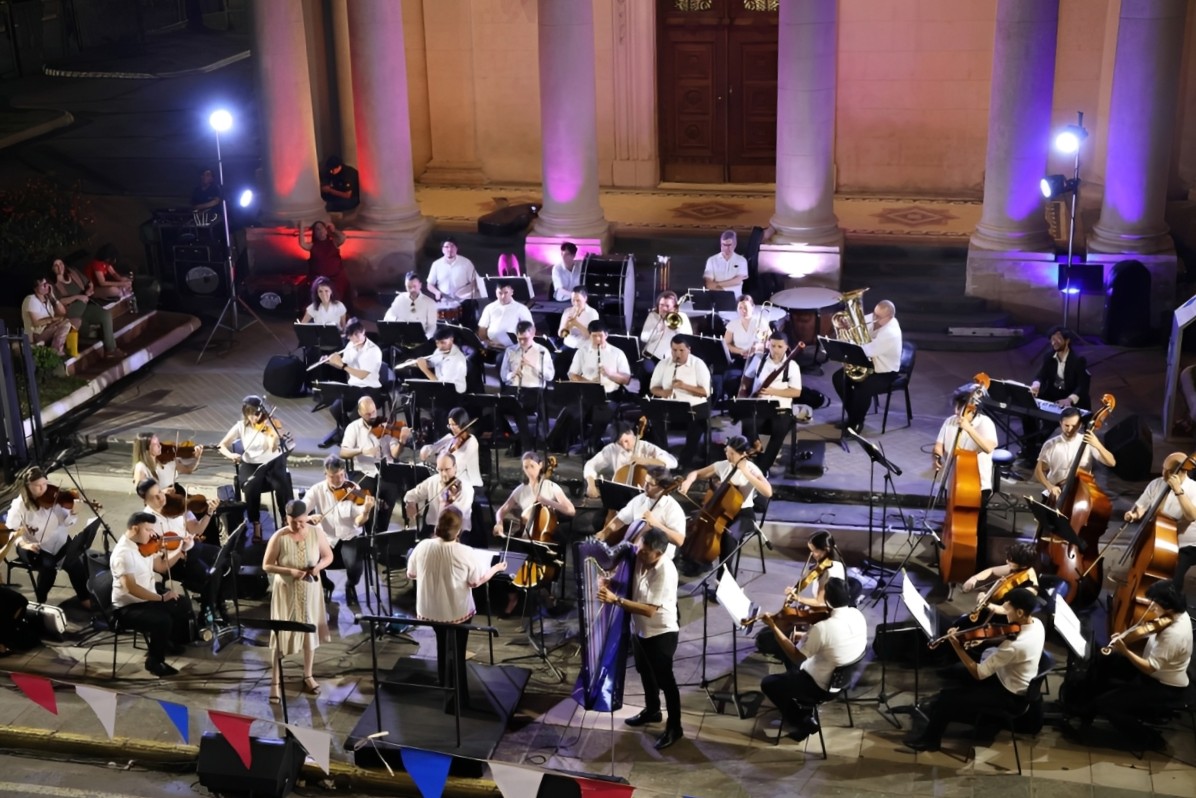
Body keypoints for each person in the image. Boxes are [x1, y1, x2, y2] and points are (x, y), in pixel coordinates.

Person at [902, 587, 1045, 752]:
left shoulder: (1015, 647)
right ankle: (947, 711)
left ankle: (930, 741)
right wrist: (983, 640)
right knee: (957, 673)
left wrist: (958, 647)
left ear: (1020, 612)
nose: (1005, 611)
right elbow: (1011, 634)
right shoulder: (1037, 625)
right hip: (1011, 678)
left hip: (1008, 695)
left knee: (947, 699)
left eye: (1008, 608)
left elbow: (979, 673)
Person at [1061, 579, 1192, 749]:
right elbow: (1148, 631)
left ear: (1169, 605)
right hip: (1152, 673)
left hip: (1163, 685)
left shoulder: (1174, 634)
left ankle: (1146, 739)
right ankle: (1083, 706)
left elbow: (1150, 666)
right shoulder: (1174, 614)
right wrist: (1124, 637)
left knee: (1108, 705)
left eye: (1155, 603)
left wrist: (1126, 650)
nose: (1151, 606)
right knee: (1103, 661)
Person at [406, 506, 506, 713]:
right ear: (458, 531)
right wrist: (495, 569)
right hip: (455, 612)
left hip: (429, 609)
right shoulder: (465, 552)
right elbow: (475, 582)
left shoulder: (423, 545)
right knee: (457, 652)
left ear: (437, 526)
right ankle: (458, 701)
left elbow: (411, 574)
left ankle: (443, 680)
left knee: (443, 643)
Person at [597, 527, 684, 750]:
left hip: (661, 632)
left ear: (659, 553)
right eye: (639, 548)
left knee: (666, 681)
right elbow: (623, 579)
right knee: (645, 671)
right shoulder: (636, 557)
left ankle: (675, 727)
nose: (640, 554)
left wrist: (615, 599)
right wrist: (608, 582)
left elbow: (649, 610)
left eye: (645, 552)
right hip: (640, 629)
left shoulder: (665, 572)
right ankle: (652, 710)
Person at [759, 577, 868, 742]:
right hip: (842, 680)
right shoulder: (858, 615)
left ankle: (803, 721)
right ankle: (799, 703)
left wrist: (774, 627)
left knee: (769, 683)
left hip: (818, 687)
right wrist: (806, 637)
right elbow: (838, 641)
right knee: (790, 652)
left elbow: (797, 658)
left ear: (826, 599)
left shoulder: (822, 628)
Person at [261, 500, 333, 702]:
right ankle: (275, 682)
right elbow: (266, 565)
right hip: (287, 591)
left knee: (309, 631)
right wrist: (289, 571)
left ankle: (308, 674)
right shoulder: (279, 536)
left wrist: (318, 567)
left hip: (309, 589)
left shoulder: (315, 532)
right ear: (287, 519)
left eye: (302, 522)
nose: (299, 526)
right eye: (295, 523)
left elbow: (328, 556)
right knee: (281, 634)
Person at [678, 436, 772, 587]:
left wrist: (745, 472)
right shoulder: (723, 465)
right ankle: (697, 561)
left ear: (743, 454)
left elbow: (768, 492)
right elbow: (696, 473)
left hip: (744, 514)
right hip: (723, 511)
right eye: (727, 451)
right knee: (696, 522)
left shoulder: (752, 470)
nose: (728, 456)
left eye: (732, 453)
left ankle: (724, 583)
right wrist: (688, 481)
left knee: (728, 537)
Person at [111, 511, 195, 677]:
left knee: (182, 603)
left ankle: (167, 641)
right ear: (135, 529)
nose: (153, 534)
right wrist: (162, 598)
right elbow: (131, 588)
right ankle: (154, 661)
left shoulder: (146, 544)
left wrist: (181, 549)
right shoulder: (123, 554)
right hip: (128, 607)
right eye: (148, 529)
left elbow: (162, 567)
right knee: (162, 620)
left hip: (148, 596)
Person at [492, 452, 575, 615]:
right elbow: (501, 510)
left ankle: (545, 593)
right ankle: (513, 597)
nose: (529, 470)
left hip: (543, 539)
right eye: (526, 467)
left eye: (532, 466)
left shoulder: (551, 487)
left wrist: (547, 501)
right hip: (525, 535)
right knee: (505, 555)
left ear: (541, 466)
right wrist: (499, 522)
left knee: (544, 556)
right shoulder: (521, 490)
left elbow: (570, 511)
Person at [137, 477, 222, 623]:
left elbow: (197, 528)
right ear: (145, 500)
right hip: (176, 561)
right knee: (209, 574)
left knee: (227, 558)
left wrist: (209, 512)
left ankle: (216, 601)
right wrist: (179, 551)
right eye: (154, 496)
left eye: (160, 492)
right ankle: (207, 613)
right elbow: (160, 564)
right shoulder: (147, 522)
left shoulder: (176, 502)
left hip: (193, 548)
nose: (160, 498)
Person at [755, 530, 848, 661]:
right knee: (778, 624)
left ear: (826, 549)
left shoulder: (829, 572)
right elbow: (810, 578)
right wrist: (795, 589)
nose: (812, 554)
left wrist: (798, 598)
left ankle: (783, 645)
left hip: (825, 613)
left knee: (776, 628)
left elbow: (820, 602)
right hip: (823, 609)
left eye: (815, 551)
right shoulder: (831, 562)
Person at [933, 383, 998, 567]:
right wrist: (937, 455)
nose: (957, 411)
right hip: (953, 483)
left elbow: (988, 447)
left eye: (961, 408)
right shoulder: (950, 421)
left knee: (977, 529)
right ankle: (952, 561)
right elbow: (939, 444)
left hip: (977, 485)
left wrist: (969, 428)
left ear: (973, 408)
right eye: (956, 407)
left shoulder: (985, 423)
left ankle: (978, 566)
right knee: (952, 523)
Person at [8, 467, 91, 607]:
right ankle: (41, 602)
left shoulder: (54, 497)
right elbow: (11, 530)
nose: (44, 489)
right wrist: (24, 544)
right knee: (48, 567)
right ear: (27, 487)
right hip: (31, 544)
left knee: (75, 564)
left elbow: (66, 521)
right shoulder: (19, 505)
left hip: (58, 540)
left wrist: (74, 513)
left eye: (45, 484)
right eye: (38, 486)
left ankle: (85, 599)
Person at [547, 320, 632, 454]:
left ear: (606, 335)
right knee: (570, 412)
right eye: (594, 336)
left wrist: (610, 374)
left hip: (608, 396)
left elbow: (626, 380)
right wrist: (587, 381)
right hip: (587, 393)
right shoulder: (583, 351)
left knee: (600, 417)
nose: (597, 339)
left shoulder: (617, 353)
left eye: (600, 336)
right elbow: (572, 373)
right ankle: (559, 444)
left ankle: (592, 444)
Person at [217, 396, 292, 544]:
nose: (254, 417)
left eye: (257, 413)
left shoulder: (268, 424)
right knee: (251, 487)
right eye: (250, 413)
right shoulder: (240, 426)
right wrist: (231, 454)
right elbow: (221, 445)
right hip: (251, 463)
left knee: (280, 484)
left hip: (272, 461)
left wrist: (273, 437)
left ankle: (285, 518)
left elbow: (272, 448)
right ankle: (256, 523)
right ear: (245, 413)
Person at [304, 456, 375, 607]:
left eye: (341, 475)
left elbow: (358, 522)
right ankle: (326, 584)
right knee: (309, 557)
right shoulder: (317, 490)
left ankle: (350, 585)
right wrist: (309, 518)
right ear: (326, 475)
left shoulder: (354, 490)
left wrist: (366, 512)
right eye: (333, 477)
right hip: (326, 538)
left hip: (349, 537)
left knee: (355, 567)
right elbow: (301, 510)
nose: (338, 480)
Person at [1124, 453, 1196, 591]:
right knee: (1141, 565)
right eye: (1163, 468)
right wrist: (1133, 514)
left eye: (1168, 471)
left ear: (1182, 471)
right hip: (1157, 539)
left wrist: (1178, 491)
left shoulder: (1194, 488)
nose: (1163, 473)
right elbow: (1142, 507)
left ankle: (1170, 605)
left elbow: (1192, 516)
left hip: (1186, 546)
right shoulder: (1156, 483)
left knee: (1172, 581)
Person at [831, 299, 902, 434]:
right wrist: (846, 325)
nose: (874, 318)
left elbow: (866, 351)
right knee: (838, 378)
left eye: (878, 317)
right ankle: (853, 416)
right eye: (874, 314)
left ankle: (857, 423)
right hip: (868, 363)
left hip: (885, 371)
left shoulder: (891, 333)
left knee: (862, 387)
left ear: (890, 317)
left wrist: (849, 338)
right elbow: (858, 324)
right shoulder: (876, 318)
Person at [738, 332, 804, 472]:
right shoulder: (759, 360)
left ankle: (761, 469)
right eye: (773, 345)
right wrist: (744, 392)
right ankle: (755, 452)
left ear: (786, 347)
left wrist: (773, 391)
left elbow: (796, 392)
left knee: (778, 431)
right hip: (759, 405)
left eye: (780, 346)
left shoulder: (792, 366)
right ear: (768, 345)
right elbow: (746, 378)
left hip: (781, 409)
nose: (775, 350)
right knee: (748, 423)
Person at [339, 396, 404, 531]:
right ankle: (368, 531)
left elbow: (395, 454)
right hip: (364, 471)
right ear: (360, 413)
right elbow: (343, 452)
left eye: (374, 412)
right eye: (368, 414)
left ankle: (383, 531)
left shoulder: (386, 425)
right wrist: (362, 450)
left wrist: (402, 442)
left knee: (391, 491)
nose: (373, 416)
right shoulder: (353, 428)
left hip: (385, 471)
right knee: (365, 496)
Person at [647, 336, 711, 471]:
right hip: (670, 405)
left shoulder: (698, 364)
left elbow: (705, 392)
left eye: (681, 350)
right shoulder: (663, 364)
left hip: (693, 406)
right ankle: (664, 456)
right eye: (674, 350)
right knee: (654, 417)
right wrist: (664, 393)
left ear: (689, 350)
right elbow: (653, 388)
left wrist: (684, 386)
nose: (677, 354)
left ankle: (685, 461)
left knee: (698, 424)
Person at [1024, 326, 1092, 454]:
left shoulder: (1077, 360)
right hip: (1053, 394)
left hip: (1070, 397)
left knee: (1050, 422)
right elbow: (1041, 375)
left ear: (1067, 341)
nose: (1054, 342)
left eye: (1058, 339)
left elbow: (1083, 385)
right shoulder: (1049, 356)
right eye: (1052, 339)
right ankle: (1030, 445)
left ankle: (1038, 448)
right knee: (1027, 413)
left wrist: (1069, 399)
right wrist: (1036, 384)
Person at [318, 317, 383, 448]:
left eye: (357, 334)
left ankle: (347, 436)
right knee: (335, 408)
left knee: (355, 416)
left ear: (363, 331)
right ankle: (349, 434)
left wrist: (341, 365)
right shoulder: (350, 346)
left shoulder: (373, 351)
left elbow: (362, 375)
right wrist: (331, 362)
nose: (354, 339)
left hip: (371, 389)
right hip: (354, 388)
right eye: (351, 336)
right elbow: (343, 364)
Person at [596, 467, 686, 556]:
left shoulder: (673, 509)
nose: (645, 486)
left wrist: (656, 524)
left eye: (650, 484)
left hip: (657, 558)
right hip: (636, 552)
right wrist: (605, 532)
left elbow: (679, 540)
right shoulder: (640, 499)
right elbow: (620, 519)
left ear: (662, 487)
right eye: (646, 481)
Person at [1033, 407, 1117, 500]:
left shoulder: (1087, 442)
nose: (1070, 429)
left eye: (1074, 426)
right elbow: (1039, 471)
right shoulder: (1050, 444)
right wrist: (1050, 486)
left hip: (1079, 495)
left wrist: (1097, 444)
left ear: (1080, 425)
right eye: (1066, 425)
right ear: (1060, 423)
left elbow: (1111, 462)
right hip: (1055, 494)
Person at [583, 421, 678, 499]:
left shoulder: (645, 447)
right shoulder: (612, 449)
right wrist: (591, 485)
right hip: (620, 495)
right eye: (620, 443)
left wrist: (646, 460)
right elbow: (590, 465)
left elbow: (673, 462)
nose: (624, 446)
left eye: (626, 441)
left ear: (632, 434)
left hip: (646, 496)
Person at [500, 321, 555, 452]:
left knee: (519, 409)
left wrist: (533, 365)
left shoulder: (542, 352)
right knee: (494, 408)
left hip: (534, 389)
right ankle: (515, 438)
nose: (522, 342)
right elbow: (503, 376)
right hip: (515, 388)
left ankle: (525, 445)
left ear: (533, 333)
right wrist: (513, 373)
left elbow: (550, 376)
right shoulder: (510, 351)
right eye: (519, 339)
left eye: (525, 339)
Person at [51, 258, 122, 358]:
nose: (59, 267)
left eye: (61, 263)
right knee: (84, 330)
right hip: (72, 312)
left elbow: (89, 283)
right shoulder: (53, 285)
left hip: (85, 307)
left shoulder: (73, 273)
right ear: (52, 268)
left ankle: (111, 349)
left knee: (105, 315)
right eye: (56, 265)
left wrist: (89, 289)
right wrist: (78, 297)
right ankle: (89, 334)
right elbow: (58, 301)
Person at [958, 541, 1040, 623]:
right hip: (991, 612)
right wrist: (974, 579)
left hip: (1003, 621)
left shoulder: (1030, 589)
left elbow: (1006, 611)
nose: (1007, 561)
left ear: (1023, 565)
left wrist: (983, 602)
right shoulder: (1020, 569)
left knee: (960, 624)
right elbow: (992, 570)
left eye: (1011, 561)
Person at [404, 454, 475, 537]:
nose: (444, 474)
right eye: (440, 470)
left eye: (447, 469)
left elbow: (456, 516)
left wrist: (439, 535)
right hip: (432, 527)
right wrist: (410, 503)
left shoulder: (465, 488)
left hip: (457, 530)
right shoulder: (434, 480)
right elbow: (411, 495)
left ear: (455, 467)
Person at [638, 291, 693, 396]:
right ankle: (645, 399)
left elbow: (688, 338)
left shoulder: (682, 317)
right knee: (646, 371)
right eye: (661, 305)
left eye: (667, 306)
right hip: (652, 356)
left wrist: (677, 327)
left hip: (673, 359)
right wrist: (658, 330)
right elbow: (644, 337)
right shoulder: (653, 316)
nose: (663, 308)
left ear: (674, 307)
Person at [414, 408, 483, 488]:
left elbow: (458, 464)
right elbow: (431, 449)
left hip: (469, 485)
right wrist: (426, 450)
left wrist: (443, 457)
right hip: (451, 484)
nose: (452, 428)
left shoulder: (471, 441)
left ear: (462, 424)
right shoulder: (450, 439)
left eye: (454, 425)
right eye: (450, 425)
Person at [426, 238, 481, 327]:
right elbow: (429, 284)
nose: (449, 249)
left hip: (463, 301)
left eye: (452, 246)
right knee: (444, 329)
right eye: (446, 247)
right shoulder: (436, 264)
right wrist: (436, 292)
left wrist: (464, 292)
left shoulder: (466, 263)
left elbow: (475, 281)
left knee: (466, 328)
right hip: (444, 301)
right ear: (442, 249)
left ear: (456, 248)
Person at [298, 220, 350, 305]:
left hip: (336, 279)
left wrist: (334, 230)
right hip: (320, 281)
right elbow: (302, 244)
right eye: (317, 229)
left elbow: (342, 237)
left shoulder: (333, 242)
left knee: (336, 301)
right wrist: (301, 227)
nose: (320, 231)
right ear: (315, 233)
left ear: (326, 231)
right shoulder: (313, 245)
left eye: (322, 228)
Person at [132, 431, 204, 494]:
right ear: (146, 449)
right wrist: (162, 492)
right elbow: (141, 491)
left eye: (158, 442)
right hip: (159, 503)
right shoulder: (141, 467)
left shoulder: (168, 460)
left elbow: (188, 470)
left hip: (172, 496)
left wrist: (197, 458)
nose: (159, 445)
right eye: (155, 444)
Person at [22, 276, 71, 355]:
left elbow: (63, 312)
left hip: (46, 331)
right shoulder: (31, 299)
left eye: (47, 283)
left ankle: (55, 350)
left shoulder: (48, 300)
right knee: (63, 324)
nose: (47, 286)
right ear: (35, 288)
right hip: (35, 335)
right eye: (43, 285)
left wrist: (53, 297)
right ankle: (55, 351)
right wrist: (53, 319)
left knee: (66, 322)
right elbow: (36, 323)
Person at [477, 281, 533, 351]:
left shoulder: (521, 309)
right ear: (496, 293)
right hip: (491, 346)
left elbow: (530, 330)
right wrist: (487, 342)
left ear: (511, 292)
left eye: (506, 293)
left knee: (499, 358)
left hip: (512, 348)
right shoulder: (489, 308)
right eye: (500, 293)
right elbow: (482, 328)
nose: (503, 296)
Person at [384, 271, 438, 339]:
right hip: (401, 337)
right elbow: (388, 315)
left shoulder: (430, 303)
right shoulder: (400, 299)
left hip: (420, 338)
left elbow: (432, 326)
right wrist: (397, 320)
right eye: (409, 287)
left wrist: (425, 338)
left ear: (420, 285)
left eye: (414, 286)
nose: (412, 289)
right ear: (405, 286)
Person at [703, 229, 748, 298]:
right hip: (716, 298)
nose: (726, 248)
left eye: (729, 245)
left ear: (735, 244)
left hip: (736, 299)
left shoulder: (742, 260)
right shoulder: (711, 260)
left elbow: (737, 281)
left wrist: (717, 284)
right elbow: (709, 284)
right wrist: (725, 291)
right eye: (724, 245)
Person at [557, 286, 600, 352]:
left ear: (585, 298)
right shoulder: (567, 311)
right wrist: (567, 325)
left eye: (578, 300)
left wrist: (576, 323)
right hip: (569, 345)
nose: (575, 303)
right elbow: (562, 335)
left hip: (585, 347)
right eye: (573, 300)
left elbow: (591, 336)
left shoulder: (592, 313)